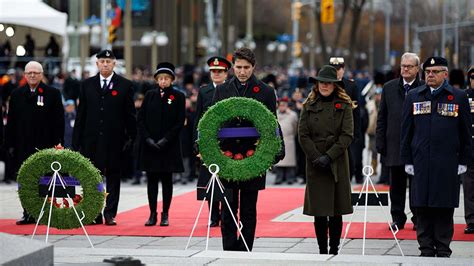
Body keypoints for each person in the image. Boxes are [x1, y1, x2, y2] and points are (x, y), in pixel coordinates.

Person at [211, 48, 283, 251]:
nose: (242, 71)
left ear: (253, 67)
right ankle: (228, 247)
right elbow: (212, 121)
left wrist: (277, 150)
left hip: (253, 155)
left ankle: (245, 247)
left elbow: (272, 123)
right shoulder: (222, 90)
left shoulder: (266, 92)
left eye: (246, 67)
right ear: (233, 67)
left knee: (249, 208)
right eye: (238, 67)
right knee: (228, 207)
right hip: (228, 156)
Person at [400, 56, 471, 257]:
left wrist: (464, 160)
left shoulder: (457, 97)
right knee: (421, 206)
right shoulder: (414, 96)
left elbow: (466, 132)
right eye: (428, 72)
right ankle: (425, 248)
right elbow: (406, 131)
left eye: (435, 72)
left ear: (445, 74)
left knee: (444, 206)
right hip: (420, 161)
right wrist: (407, 159)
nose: (430, 75)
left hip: (447, 162)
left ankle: (442, 247)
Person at [72, 50, 136, 226]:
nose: (105, 64)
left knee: (114, 178)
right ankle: (94, 212)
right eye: (102, 61)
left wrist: (132, 138)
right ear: (97, 64)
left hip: (115, 140)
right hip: (91, 140)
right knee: (93, 178)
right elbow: (81, 115)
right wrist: (76, 141)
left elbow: (130, 114)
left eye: (108, 61)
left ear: (114, 63)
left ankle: (110, 213)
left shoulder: (124, 85)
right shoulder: (87, 85)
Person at [298, 65, 354, 255]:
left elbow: (347, 135)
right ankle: (322, 249)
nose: (324, 85)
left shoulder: (345, 106)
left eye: (328, 82)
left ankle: (334, 249)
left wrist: (329, 156)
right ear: (317, 84)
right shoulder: (308, 106)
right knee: (320, 211)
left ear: (334, 85)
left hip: (336, 162)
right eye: (322, 82)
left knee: (336, 211)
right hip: (316, 164)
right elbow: (303, 135)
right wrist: (316, 157)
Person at [6, 61, 64, 224]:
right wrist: (9, 144)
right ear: (24, 75)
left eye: (36, 73)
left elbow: (58, 121)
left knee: (44, 180)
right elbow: (11, 122)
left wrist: (58, 143)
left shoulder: (52, 93)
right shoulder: (17, 94)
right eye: (29, 73)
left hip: (45, 145)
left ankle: (44, 212)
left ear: (41, 75)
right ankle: (28, 212)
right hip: (22, 144)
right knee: (25, 180)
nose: (32, 75)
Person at [376, 52, 424, 231]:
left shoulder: (423, 88)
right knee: (396, 184)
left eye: (409, 66)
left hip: (417, 145)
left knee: (417, 185)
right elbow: (382, 118)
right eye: (403, 66)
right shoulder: (389, 88)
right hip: (395, 144)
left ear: (417, 69)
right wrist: (380, 143)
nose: (405, 69)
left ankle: (418, 217)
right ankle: (397, 218)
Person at [138, 62, 185, 227]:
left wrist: (166, 140)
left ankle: (165, 213)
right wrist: (148, 139)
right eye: (160, 78)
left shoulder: (178, 97)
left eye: (166, 78)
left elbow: (179, 122)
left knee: (166, 181)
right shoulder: (150, 95)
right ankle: (152, 214)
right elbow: (141, 119)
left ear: (172, 80)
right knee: (151, 181)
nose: (163, 81)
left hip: (168, 146)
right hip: (151, 145)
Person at [194, 56, 232, 227]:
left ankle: (227, 214)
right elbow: (199, 116)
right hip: (209, 140)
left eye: (220, 71)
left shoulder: (231, 89)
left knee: (226, 179)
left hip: (227, 139)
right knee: (210, 177)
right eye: (213, 71)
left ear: (226, 73)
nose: (216, 74)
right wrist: (198, 139)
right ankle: (213, 216)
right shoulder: (204, 91)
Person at [329, 57, 361, 183]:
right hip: (330, 129)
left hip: (347, 129)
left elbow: (357, 111)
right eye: (334, 69)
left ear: (343, 70)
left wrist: (357, 133)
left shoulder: (351, 86)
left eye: (339, 69)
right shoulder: (325, 85)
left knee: (349, 161)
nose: (337, 72)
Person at [274, 97, 298, 185]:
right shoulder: (275, 114)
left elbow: (296, 127)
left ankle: (290, 178)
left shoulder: (292, 115)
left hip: (289, 139)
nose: (282, 107)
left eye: (284, 105)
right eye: (280, 105)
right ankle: (279, 178)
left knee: (290, 160)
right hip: (278, 140)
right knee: (279, 160)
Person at [463, 66, 474, 234]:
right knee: (469, 187)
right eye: (472, 78)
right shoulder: (463, 97)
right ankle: (471, 220)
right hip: (469, 148)